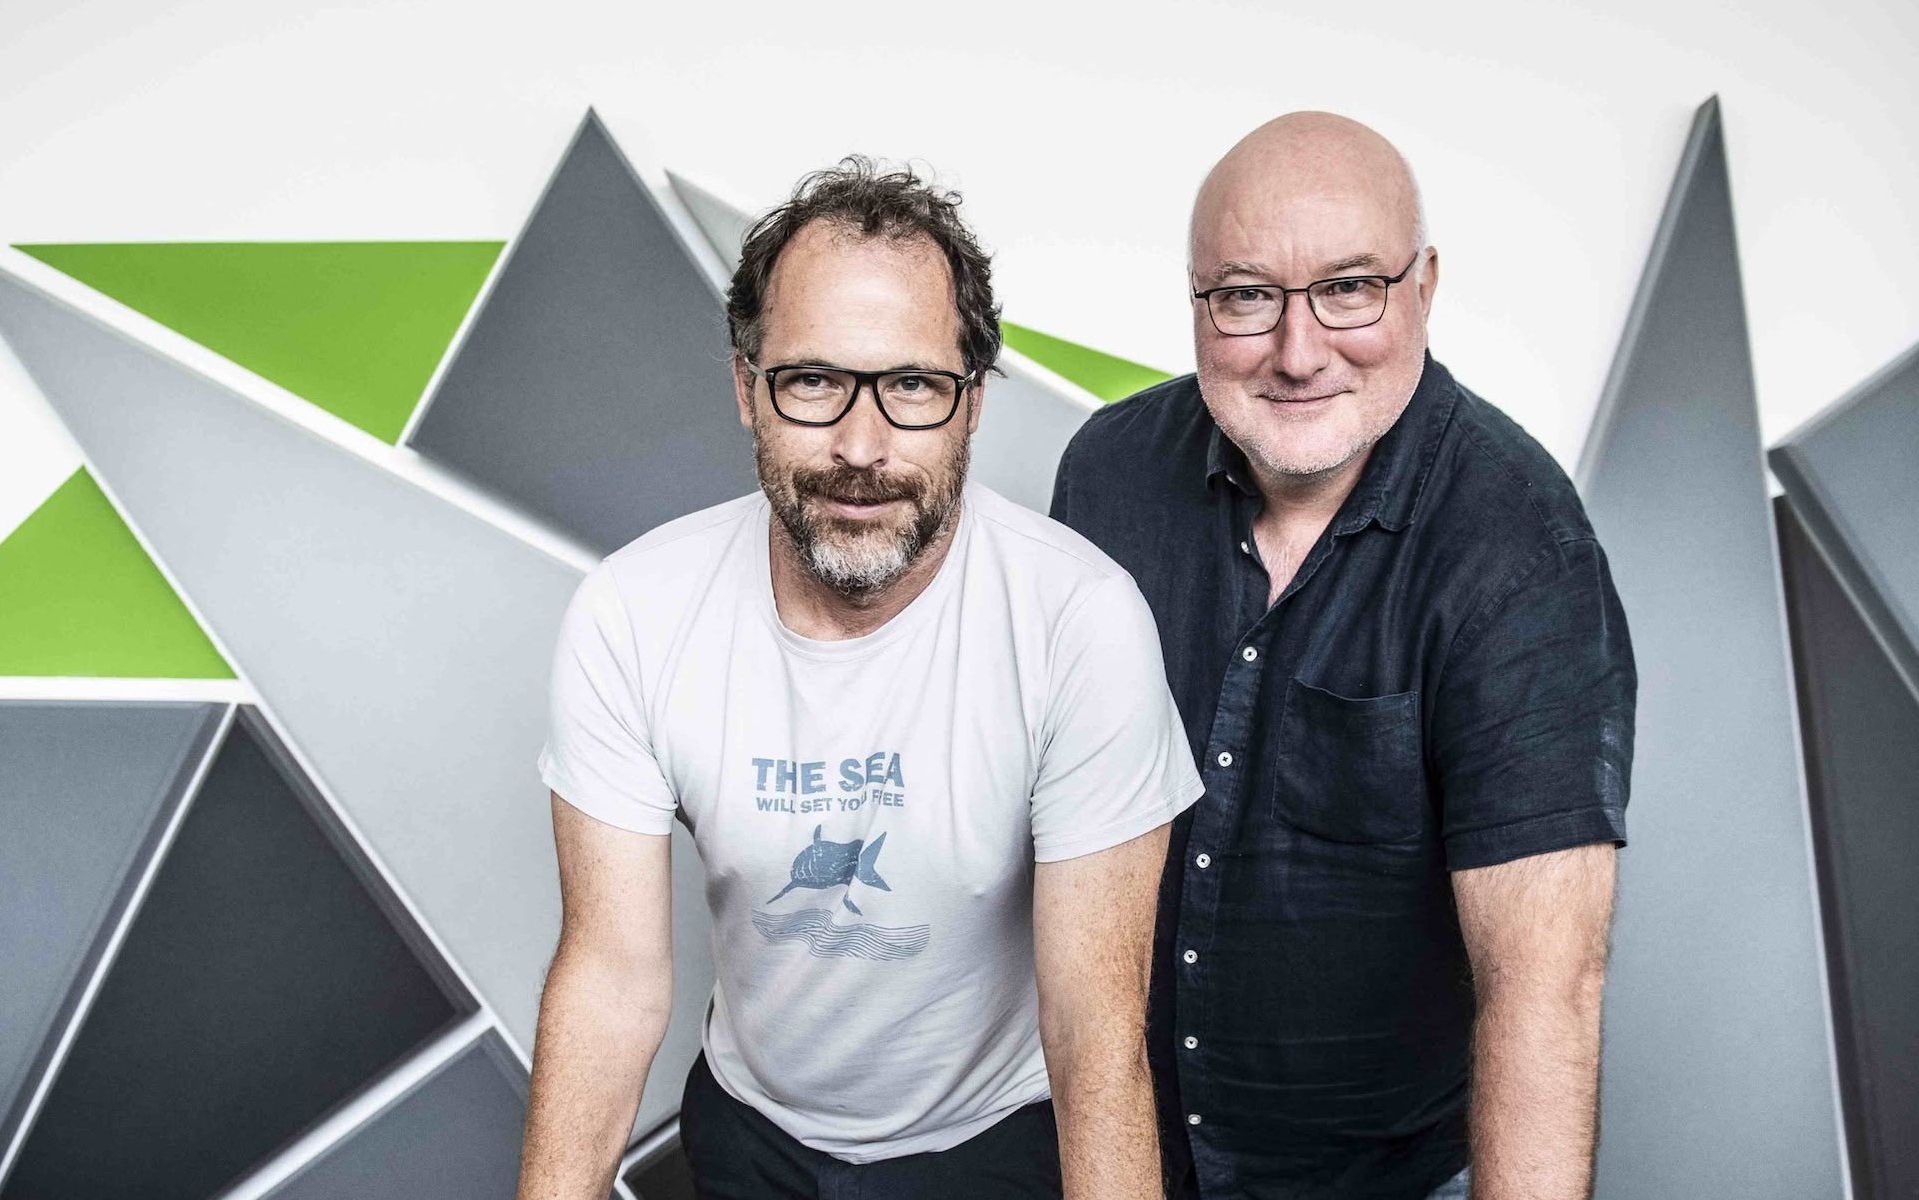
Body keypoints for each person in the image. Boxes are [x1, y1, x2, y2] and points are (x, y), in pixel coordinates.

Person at [518, 158, 1202, 1200]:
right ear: (746, 389)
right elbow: (611, 978)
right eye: (813, 381)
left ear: (974, 402)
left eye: (914, 385)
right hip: (751, 1136)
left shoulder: (1082, 623)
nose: (860, 445)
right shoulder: (632, 613)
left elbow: (1095, 1036)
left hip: (995, 1146)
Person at [1050, 112, 1636, 1200]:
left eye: (1350, 288)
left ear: (1425, 288)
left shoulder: (1520, 549)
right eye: (1246, 296)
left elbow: (1544, 987)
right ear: (1196, 303)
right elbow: (1060, 841)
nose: (1298, 351)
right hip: (1123, 1153)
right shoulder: (1107, 477)